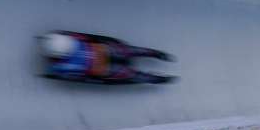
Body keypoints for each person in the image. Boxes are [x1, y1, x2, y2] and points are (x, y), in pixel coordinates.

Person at [39, 31, 175, 84]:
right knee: (132, 72)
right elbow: (78, 77)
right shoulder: (61, 65)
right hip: (106, 65)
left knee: (131, 57)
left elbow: (78, 77)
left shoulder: (59, 66)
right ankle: (158, 76)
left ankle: (158, 58)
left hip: (106, 59)